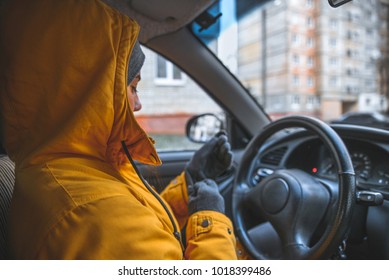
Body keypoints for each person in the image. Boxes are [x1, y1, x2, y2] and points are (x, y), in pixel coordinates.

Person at [0, 0, 237, 259]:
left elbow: (141, 232)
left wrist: (189, 182)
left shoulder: (64, 176)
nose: (138, 104)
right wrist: (210, 220)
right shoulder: (93, 216)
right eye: (133, 87)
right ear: (88, 91)